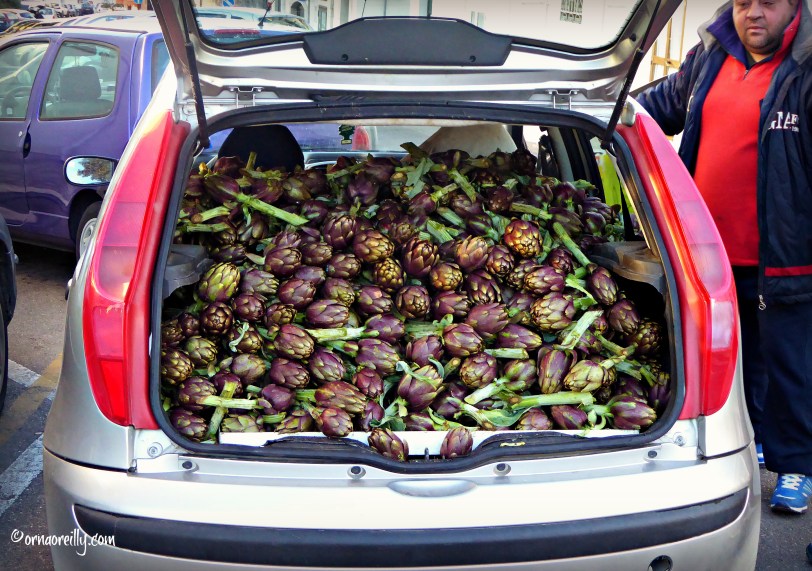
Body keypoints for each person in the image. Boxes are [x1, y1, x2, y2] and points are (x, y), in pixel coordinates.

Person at [638, 0, 812, 514]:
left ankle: (796, 467)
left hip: (785, 258)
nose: (752, 14)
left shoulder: (804, 69)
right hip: (708, 257)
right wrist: (602, 104)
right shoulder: (710, 56)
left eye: (767, 3)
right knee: (728, 363)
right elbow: (660, 104)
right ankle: (748, 444)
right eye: (742, 3)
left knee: (789, 367)